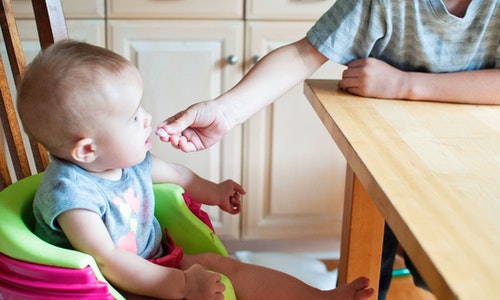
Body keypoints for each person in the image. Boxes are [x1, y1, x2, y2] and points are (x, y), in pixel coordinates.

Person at [155, 1, 500, 299]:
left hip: (476, 167)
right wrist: (226, 112)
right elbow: (305, 52)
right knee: (371, 267)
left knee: (457, 270)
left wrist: (404, 84)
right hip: (386, 158)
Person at [17, 40, 374, 300]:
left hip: (155, 261)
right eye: (132, 118)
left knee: (230, 269)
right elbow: (107, 262)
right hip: (107, 287)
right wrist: (184, 285)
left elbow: (179, 175)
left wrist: (215, 191)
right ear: (88, 149)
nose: (147, 119)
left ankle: (317, 297)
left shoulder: (126, 162)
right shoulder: (73, 198)